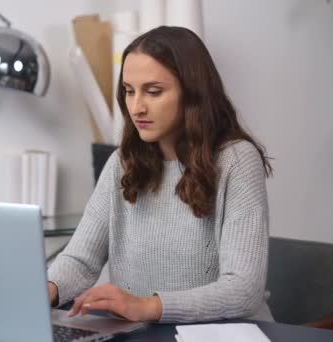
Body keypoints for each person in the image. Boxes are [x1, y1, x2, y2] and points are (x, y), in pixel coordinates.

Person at [47, 26, 273, 323]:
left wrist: (148, 307)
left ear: (192, 93)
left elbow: (244, 290)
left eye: (153, 92)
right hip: (144, 334)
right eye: (129, 91)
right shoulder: (122, 163)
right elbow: (80, 260)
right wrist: (43, 291)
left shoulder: (236, 160)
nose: (136, 107)